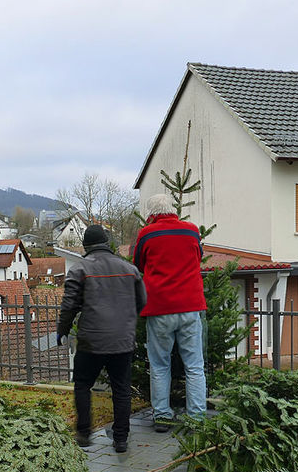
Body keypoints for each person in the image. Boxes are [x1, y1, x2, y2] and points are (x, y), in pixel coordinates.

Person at [57, 225, 146, 453]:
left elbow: (69, 306)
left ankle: (84, 433)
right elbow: (142, 302)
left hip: (91, 340)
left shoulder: (80, 269)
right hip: (122, 341)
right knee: (121, 389)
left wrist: (62, 329)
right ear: (106, 243)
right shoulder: (130, 269)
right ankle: (121, 439)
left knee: (83, 384)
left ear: (86, 246)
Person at [133, 193, 207, 432]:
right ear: (172, 210)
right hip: (190, 306)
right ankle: (196, 417)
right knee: (194, 365)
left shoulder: (147, 234)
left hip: (160, 307)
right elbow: (199, 257)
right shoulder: (191, 231)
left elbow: (139, 265)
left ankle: (163, 416)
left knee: (160, 364)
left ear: (152, 214)